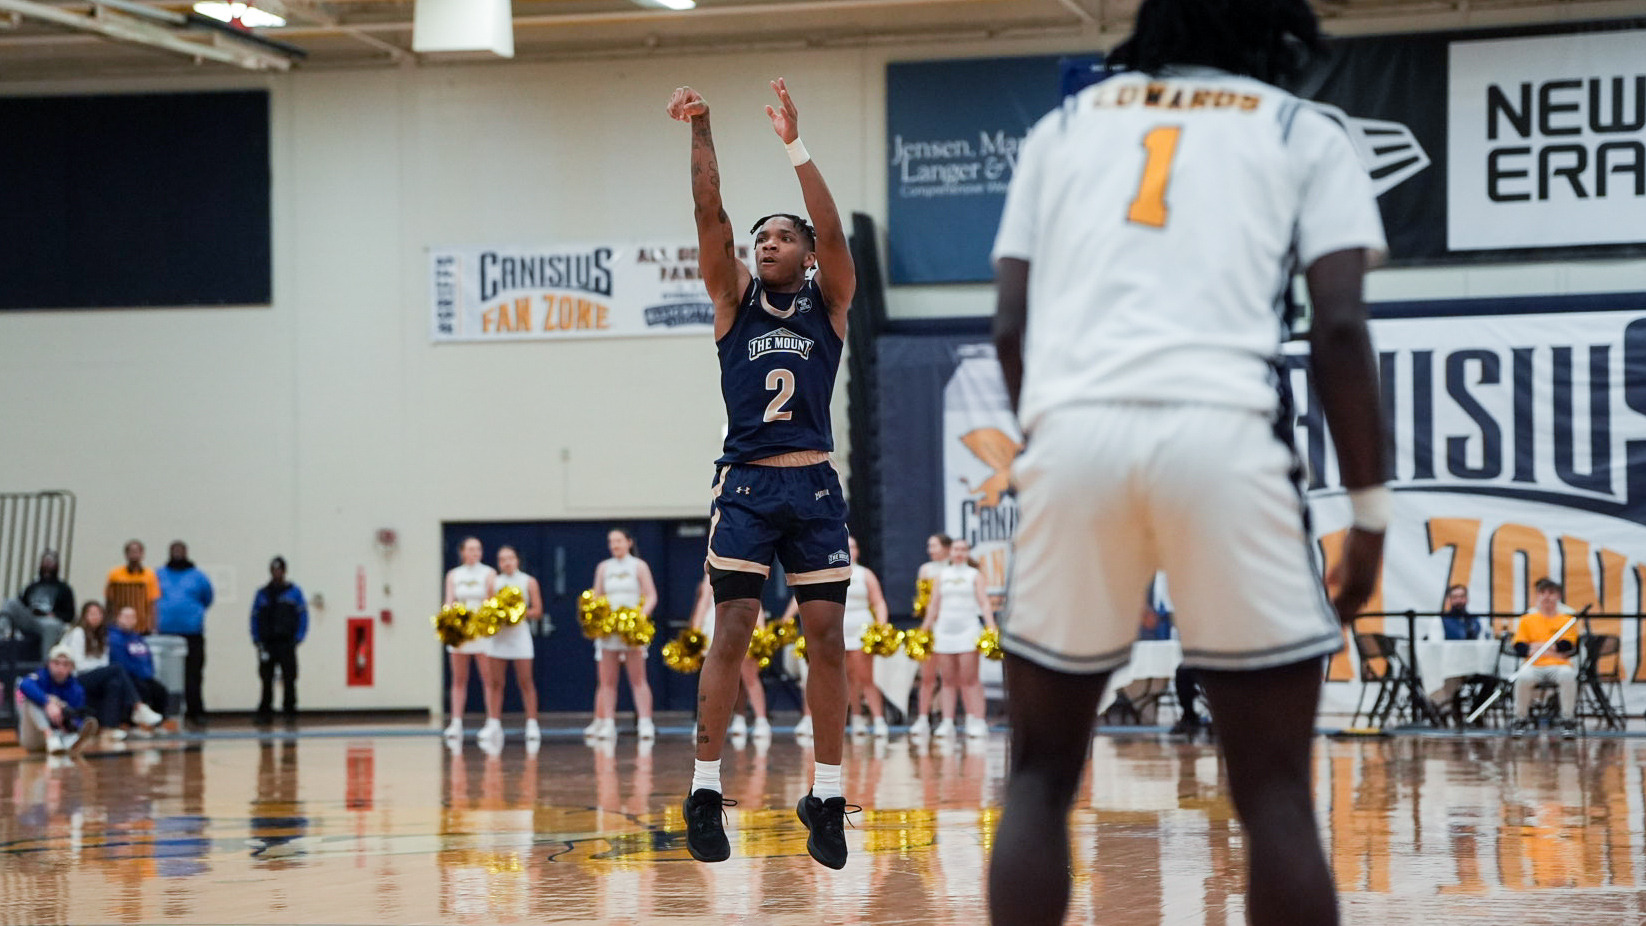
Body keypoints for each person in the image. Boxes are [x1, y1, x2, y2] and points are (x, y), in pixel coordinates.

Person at [986, 1, 1390, 922]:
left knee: (1041, 779)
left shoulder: (1064, 127)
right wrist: (1367, 518)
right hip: (1224, 436)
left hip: (1074, 430)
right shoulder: (1301, 127)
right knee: (1276, 796)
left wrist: (1054, 445)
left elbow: (1011, 324)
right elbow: (1337, 325)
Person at [667, 77, 858, 869]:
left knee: (826, 638)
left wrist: (794, 144)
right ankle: (706, 789)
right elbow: (710, 213)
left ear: (808, 254)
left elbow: (835, 231)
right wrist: (702, 128)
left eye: (782, 236)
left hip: (813, 485)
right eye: (761, 239)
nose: (766, 243)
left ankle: (830, 795)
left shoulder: (830, 301)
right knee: (736, 629)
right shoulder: (732, 301)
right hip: (746, 484)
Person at [585, 529, 659, 740]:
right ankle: (608, 723)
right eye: (611, 541)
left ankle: (645, 723)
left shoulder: (639, 566)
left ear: (628, 542)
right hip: (610, 630)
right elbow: (596, 597)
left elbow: (651, 595)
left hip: (632, 629)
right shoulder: (604, 567)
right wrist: (600, 619)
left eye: (618, 541)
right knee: (607, 681)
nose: (614, 545)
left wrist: (639, 618)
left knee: (638, 679)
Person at [920, 537, 996, 738]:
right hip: (944, 631)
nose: (959, 552)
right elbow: (934, 605)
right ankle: (947, 722)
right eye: (956, 549)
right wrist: (925, 628)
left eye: (963, 549)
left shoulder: (974, 575)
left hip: (968, 630)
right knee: (947, 680)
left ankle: (977, 720)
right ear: (950, 551)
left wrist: (991, 626)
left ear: (967, 552)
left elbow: (984, 603)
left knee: (970, 679)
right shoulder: (942, 576)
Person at [61, 601, 164, 739]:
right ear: (84, 616)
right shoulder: (78, 633)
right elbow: (78, 664)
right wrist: (101, 670)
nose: (95, 617)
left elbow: (103, 660)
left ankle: (109, 728)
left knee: (114, 683)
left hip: (95, 675)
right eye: (91, 614)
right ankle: (138, 706)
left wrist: (101, 670)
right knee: (116, 668)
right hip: (75, 678)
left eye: (98, 614)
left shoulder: (102, 635)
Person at [689, 573, 770, 738]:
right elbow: (704, 600)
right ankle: (704, 723)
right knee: (713, 678)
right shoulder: (712, 569)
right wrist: (694, 632)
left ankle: (761, 721)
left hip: (743, 619)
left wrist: (761, 629)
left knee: (749, 677)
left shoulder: (749, 566)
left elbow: (756, 601)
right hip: (715, 624)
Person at [483, 545, 544, 745]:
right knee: (495, 683)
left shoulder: (528, 581)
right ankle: (493, 723)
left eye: (510, 558)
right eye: (502, 559)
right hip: (498, 637)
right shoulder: (494, 582)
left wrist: (517, 614)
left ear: (517, 560)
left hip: (520, 636)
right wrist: (499, 615)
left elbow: (537, 610)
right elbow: (488, 608)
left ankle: (532, 724)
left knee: (526, 681)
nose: (506, 562)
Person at [1510, 578, 1580, 739]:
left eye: (1551, 593)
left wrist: (1537, 646)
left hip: (1559, 664)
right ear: (1537, 596)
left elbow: (1567, 646)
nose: (1547, 597)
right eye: (1543, 593)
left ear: (1558, 596)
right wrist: (1550, 648)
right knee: (1523, 677)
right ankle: (1520, 719)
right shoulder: (1527, 619)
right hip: (1533, 664)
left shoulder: (1567, 620)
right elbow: (1520, 647)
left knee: (1568, 676)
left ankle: (1568, 720)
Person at [443, 537, 497, 745]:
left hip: (482, 629)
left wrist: (481, 622)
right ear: (462, 552)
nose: (475, 552)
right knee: (458, 679)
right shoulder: (454, 575)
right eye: (471, 549)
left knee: (488, 678)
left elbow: (491, 602)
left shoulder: (489, 573)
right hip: (461, 630)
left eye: (478, 549)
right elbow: (449, 602)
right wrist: (452, 623)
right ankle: (456, 723)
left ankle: (492, 722)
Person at [157, 541, 214, 729]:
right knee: (165, 676)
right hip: (165, 634)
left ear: (186, 552)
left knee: (193, 675)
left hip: (192, 634)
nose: (178, 553)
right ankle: (164, 712)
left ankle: (196, 712)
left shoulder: (198, 576)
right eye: (174, 550)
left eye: (181, 550)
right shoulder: (159, 574)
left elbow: (208, 598)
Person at [842, 537, 891, 737]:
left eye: (853, 546)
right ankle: (856, 717)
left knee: (865, 677)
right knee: (847, 678)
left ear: (858, 551)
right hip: (839, 630)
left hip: (862, 630)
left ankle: (878, 720)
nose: (850, 549)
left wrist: (881, 626)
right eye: (846, 546)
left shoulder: (865, 574)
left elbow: (879, 602)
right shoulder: (833, 573)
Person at [251, 557, 308, 727]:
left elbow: (303, 616)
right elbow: (254, 617)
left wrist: (299, 637)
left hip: (287, 642)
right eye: (274, 570)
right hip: (267, 643)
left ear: (284, 571)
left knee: (289, 677)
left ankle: (290, 711)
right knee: (266, 678)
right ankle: (265, 711)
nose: (277, 573)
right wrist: (256, 638)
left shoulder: (294, 592)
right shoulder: (262, 594)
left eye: (280, 569)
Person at [16, 646, 99, 754]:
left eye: (65, 664)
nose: (60, 668)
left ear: (71, 667)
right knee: (29, 699)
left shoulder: (76, 689)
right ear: (49, 664)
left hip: (60, 733)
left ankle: (71, 739)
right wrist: (47, 703)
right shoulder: (40, 677)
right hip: (35, 737)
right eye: (56, 663)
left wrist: (67, 717)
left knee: (76, 721)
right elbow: (24, 684)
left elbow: (77, 715)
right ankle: (51, 737)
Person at [909, 533, 951, 736]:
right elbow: (923, 603)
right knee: (927, 676)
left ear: (946, 547)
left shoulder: (956, 569)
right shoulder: (925, 570)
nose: (930, 550)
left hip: (952, 626)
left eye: (933, 545)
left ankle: (944, 716)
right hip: (931, 627)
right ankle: (923, 718)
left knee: (950, 678)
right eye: (929, 546)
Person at [3, 550, 76, 660]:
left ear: (56, 565)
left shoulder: (64, 589)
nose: (47, 564)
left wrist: (54, 615)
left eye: (50, 561)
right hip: (32, 620)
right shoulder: (32, 586)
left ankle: (46, 664)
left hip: (51, 622)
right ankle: (2, 634)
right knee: (10, 603)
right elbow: (21, 605)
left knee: (51, 625)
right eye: (45, 561)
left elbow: (70, 615)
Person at [109, 605, 171, 729]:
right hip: (128, 676)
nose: (129, 620)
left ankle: (158, 723)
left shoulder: (138, 638)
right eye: (126, 617)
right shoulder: (114, 638)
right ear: (118, 618)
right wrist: (139, 673)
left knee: (160, 690)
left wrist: (148, 672)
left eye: (132, 617)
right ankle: (134, 723)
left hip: (144, 675)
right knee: (142, 689)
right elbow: (120, 661)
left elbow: (148, 658)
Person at [104, 540, 160, 635]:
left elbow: (152, 603)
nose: (134, 555)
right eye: (131, 552)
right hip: (119, 626)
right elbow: (109, 601)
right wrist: (108, 622)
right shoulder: (115, 574)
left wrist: (153, 626)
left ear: (142, 554)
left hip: (142, 626)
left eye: (137, 552)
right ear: (126, 554)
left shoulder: (150, 575)